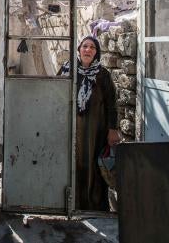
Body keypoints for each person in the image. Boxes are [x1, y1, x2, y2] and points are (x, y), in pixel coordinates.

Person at [58, 35, 119, 211]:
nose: (88, 50)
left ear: (96, 53)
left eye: (92, 47)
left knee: (94, 166)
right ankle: (71, 204)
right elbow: (54, 93)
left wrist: (112, 129)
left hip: (96, 131)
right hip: (71, 129)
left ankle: (94, 207)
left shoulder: (103, 75)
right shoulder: (68, 70)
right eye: (85, 46)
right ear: (79, 50)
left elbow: (111, 104)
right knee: (72, 164)